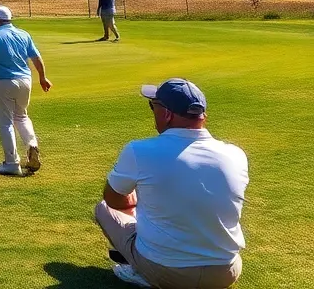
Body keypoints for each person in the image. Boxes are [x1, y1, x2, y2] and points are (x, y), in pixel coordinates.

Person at [94, 79, 248, 288]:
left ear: (167, 114)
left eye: (153, 106)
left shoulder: (139, 150)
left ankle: (140, 272)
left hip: (168, 272)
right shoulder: (236, 154)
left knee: (103, 209)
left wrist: (134, 204)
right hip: (226, 272)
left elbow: (113, 199)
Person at [0, 5, 52, 176]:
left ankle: (11, 163)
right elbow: (36, 58)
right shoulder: (24, 34)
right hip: (25, 81)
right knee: (21, 116)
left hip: (3, 82)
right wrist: (42, 77)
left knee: (6, 122)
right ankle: (32, 144)